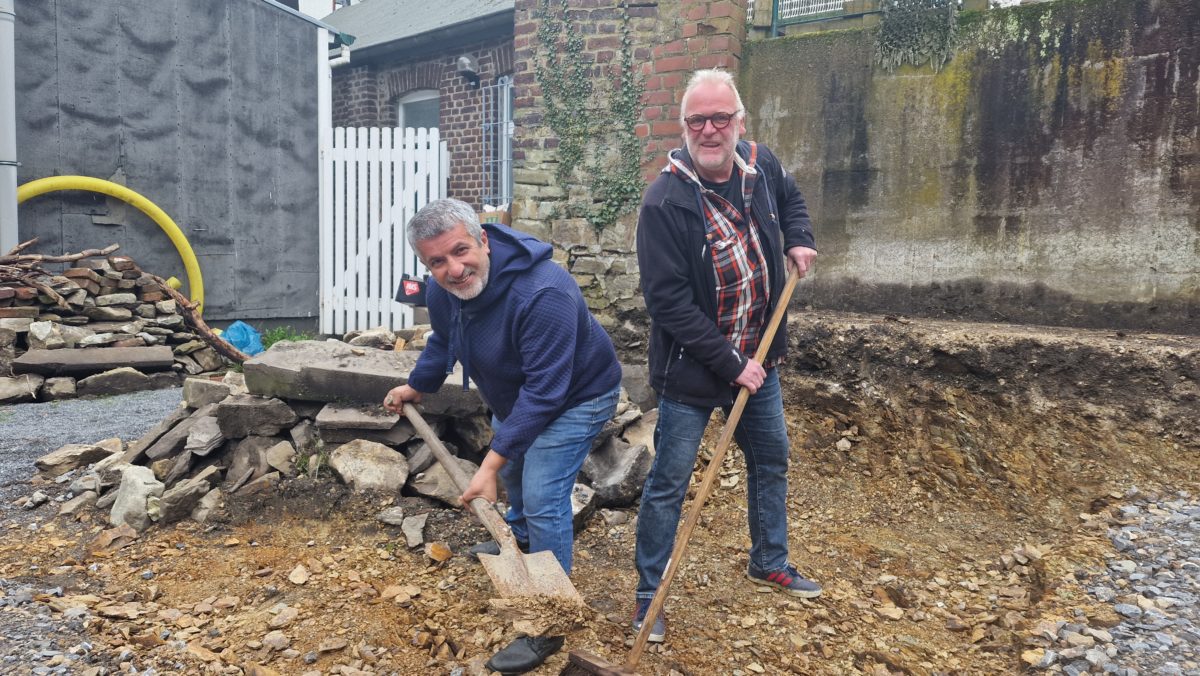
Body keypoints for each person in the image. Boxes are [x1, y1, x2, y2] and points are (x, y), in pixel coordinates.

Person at [382, 198, 622, 674]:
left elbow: (547, 394)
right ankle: (518, 541)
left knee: (541, 489)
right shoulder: (442, 290)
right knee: (513, 465)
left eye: (460, 251)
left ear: (484, 240)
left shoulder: (543, 291)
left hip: (578, 395)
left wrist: (488, 465)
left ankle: (549, 621)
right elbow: (443, 341)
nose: (453, 269)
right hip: (521, 393)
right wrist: (418, 385)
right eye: (437, 261)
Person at [632, 69, 822, 643]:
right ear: (683, 125)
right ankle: (648, 596)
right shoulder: (663, 201)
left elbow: (791, 198)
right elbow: (669, 304)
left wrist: (799, 237)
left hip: (759, 357)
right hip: (694, 369)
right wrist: (730, 363)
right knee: (669, 481)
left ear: (740, 121)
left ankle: (768, 560)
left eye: (721, 118)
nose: (710, 130)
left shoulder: (760, 164)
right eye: (697, 120)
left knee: (771, 459)